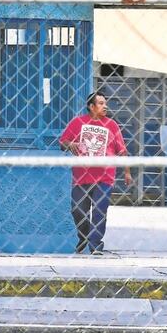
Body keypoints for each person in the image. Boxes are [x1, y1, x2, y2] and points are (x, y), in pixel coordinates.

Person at [59, 91, 132, 255]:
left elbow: (122, 150)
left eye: (105, 103)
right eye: (100, 103)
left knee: (99, 211)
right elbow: (62, 142)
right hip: (81, 177)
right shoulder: (78, 122)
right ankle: (84, 236)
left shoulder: (112, 125)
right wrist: (70, 144)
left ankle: (95, 245)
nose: (105, 106)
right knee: (78, 210)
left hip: (105, 177)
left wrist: (127, 172)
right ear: (91, 106)